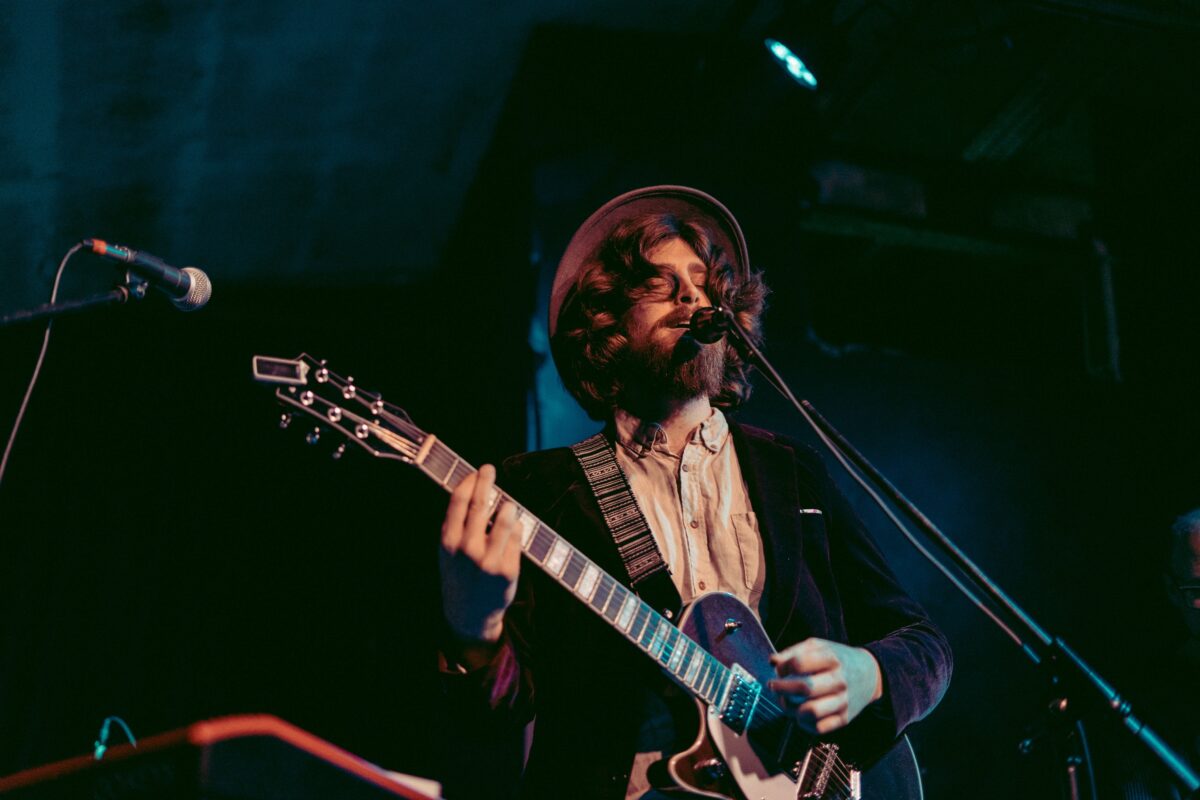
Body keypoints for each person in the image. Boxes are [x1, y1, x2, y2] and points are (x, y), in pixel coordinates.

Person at [437, 186, 953, 799]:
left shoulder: (792, 471)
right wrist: (475, 627)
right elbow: (491, 718)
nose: (691, 296)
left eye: (704, 283)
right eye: (658, 285)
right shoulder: (539, 490)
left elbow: (924, 645)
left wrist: (868, 674)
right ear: (607, 322)